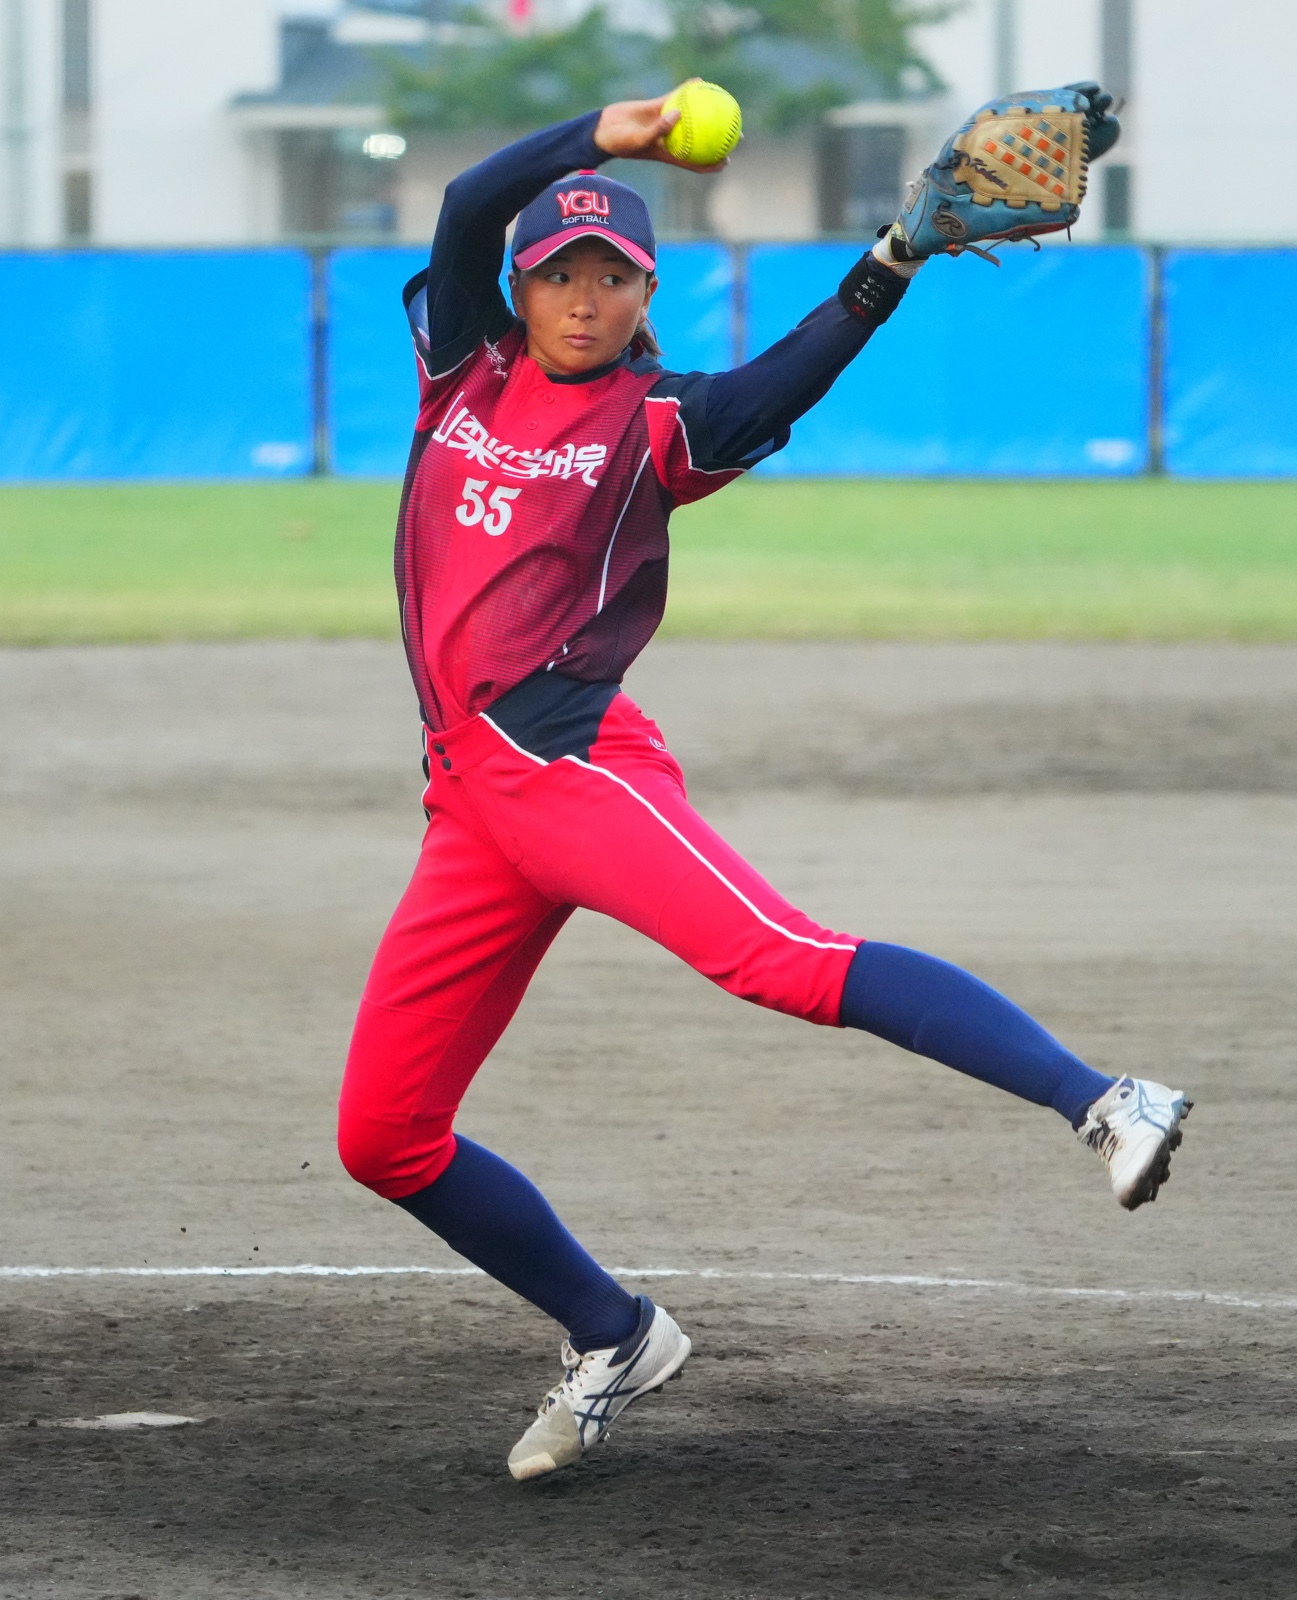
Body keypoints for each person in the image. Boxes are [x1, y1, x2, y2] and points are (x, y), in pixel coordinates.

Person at [335, 86, 1192, 1482]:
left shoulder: (657, 422)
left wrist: (894, 259)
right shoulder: (463, 373)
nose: (584, 297)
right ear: (520, 286)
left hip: (568, 766)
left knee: (776, 957)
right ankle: (612, 1333)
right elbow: (464, 206)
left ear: (645, 294)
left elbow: (790, 377)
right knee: (382, 1136)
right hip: (472, 806)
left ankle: (1104, 1099)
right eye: (559, 273)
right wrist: (604, 136)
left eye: (613, 275)